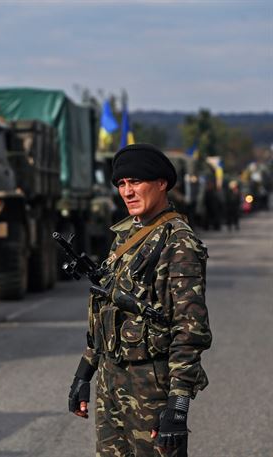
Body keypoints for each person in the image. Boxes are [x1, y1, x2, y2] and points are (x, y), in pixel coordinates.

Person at [68, 144, 212, 457]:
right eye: (121, 184)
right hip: (112, 383)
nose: (127, 191)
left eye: (136, 182)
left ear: (161, 183)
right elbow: (106, 310)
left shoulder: (179, 241)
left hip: (152, 386)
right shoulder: (125, 238)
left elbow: (190, 329)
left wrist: (178, 404)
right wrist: (84, 373)